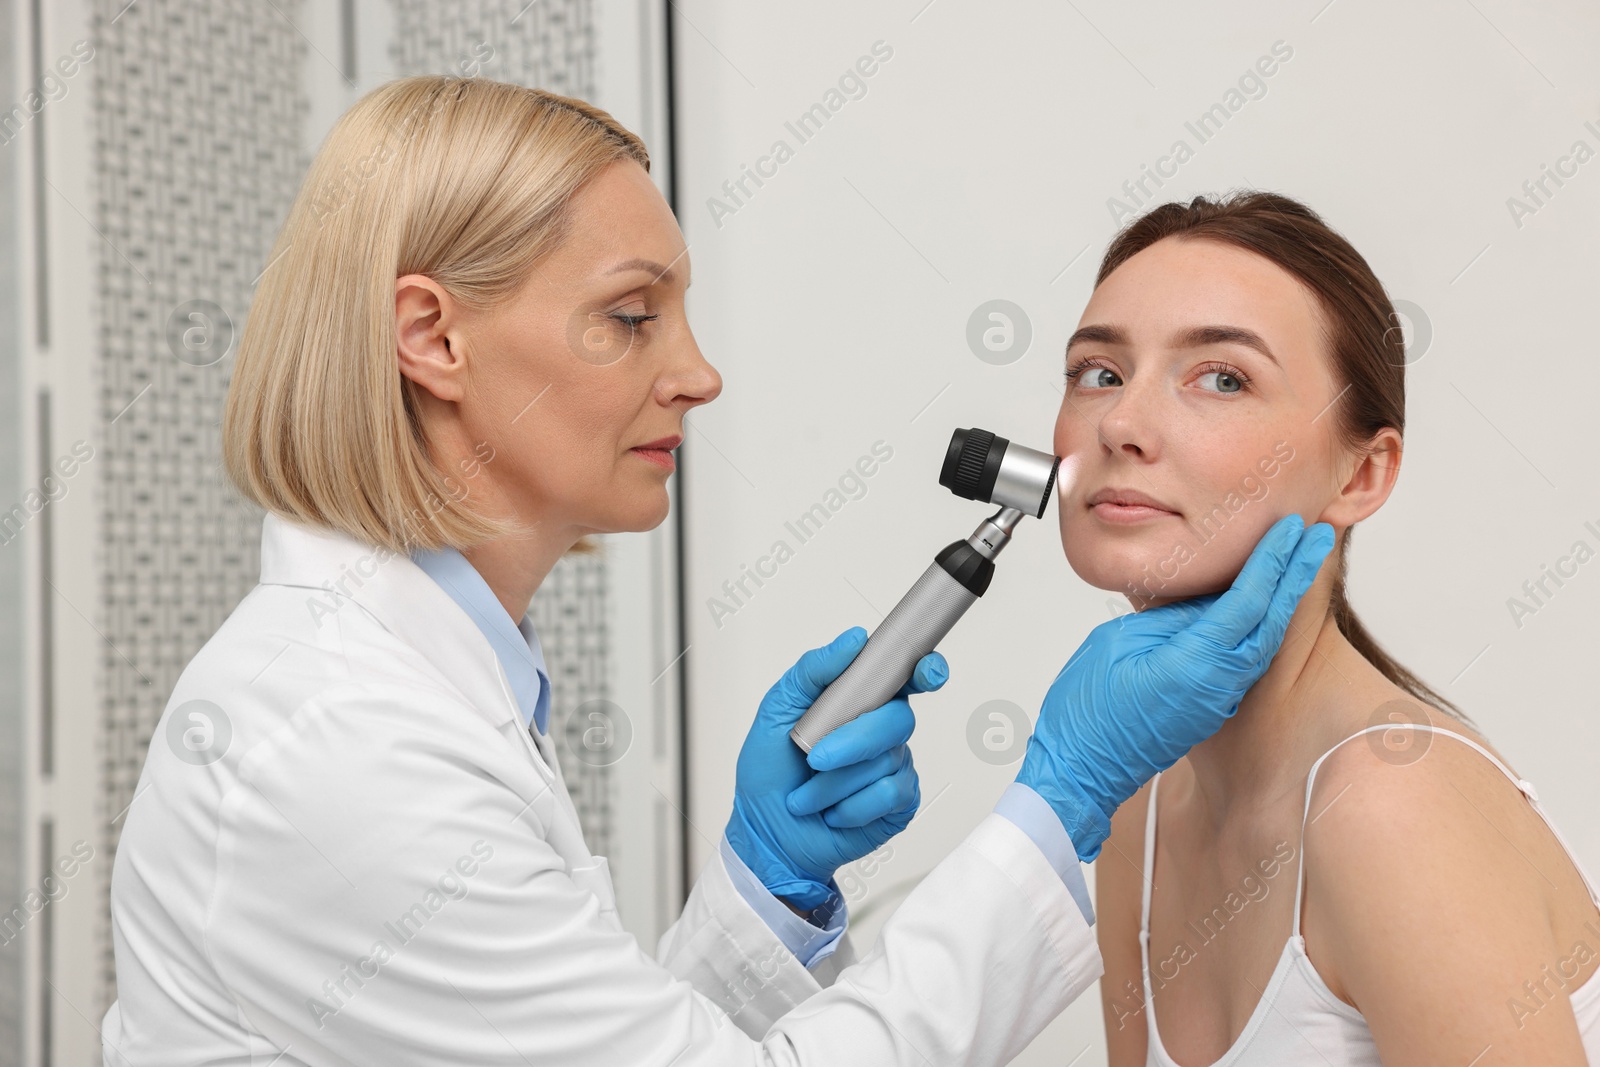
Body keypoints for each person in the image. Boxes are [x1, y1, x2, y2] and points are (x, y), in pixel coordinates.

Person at [99, 77, 1331, 1066]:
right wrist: (1061, 797)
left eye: (1220, 376)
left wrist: (768, 882)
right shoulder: (336, 738)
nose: (697, 373)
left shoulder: (427, 678)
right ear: (434, 336)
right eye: (632, 315)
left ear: (1364, 467)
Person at [1065, 192, 1600, 1065]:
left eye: (1223, 377)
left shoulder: (1388, 803)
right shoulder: (1140, 801)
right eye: (1099, 371)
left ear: (1362, 473)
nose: (1121, 423)